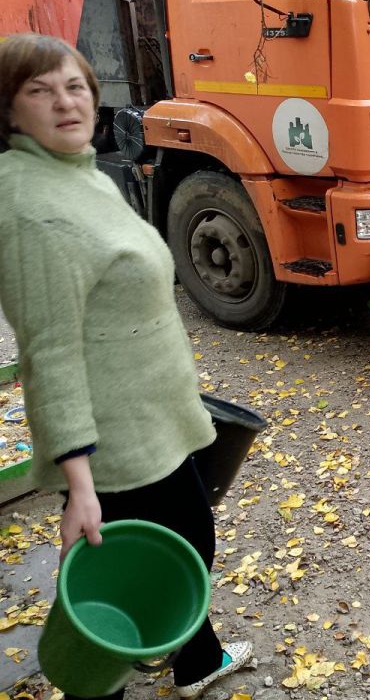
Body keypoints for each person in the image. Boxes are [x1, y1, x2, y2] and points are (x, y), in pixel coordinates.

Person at [0, 34, 251, 699]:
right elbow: (48, 352)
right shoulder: (29, 206)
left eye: (75, 86)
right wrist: (80, 484)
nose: (65, 102)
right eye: (39, 90)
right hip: (114, 444)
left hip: (154, 420)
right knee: (126, 588)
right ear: (9, 110)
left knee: (181, 548)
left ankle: (197, 662)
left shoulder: (75, 172)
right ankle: (100, 683)